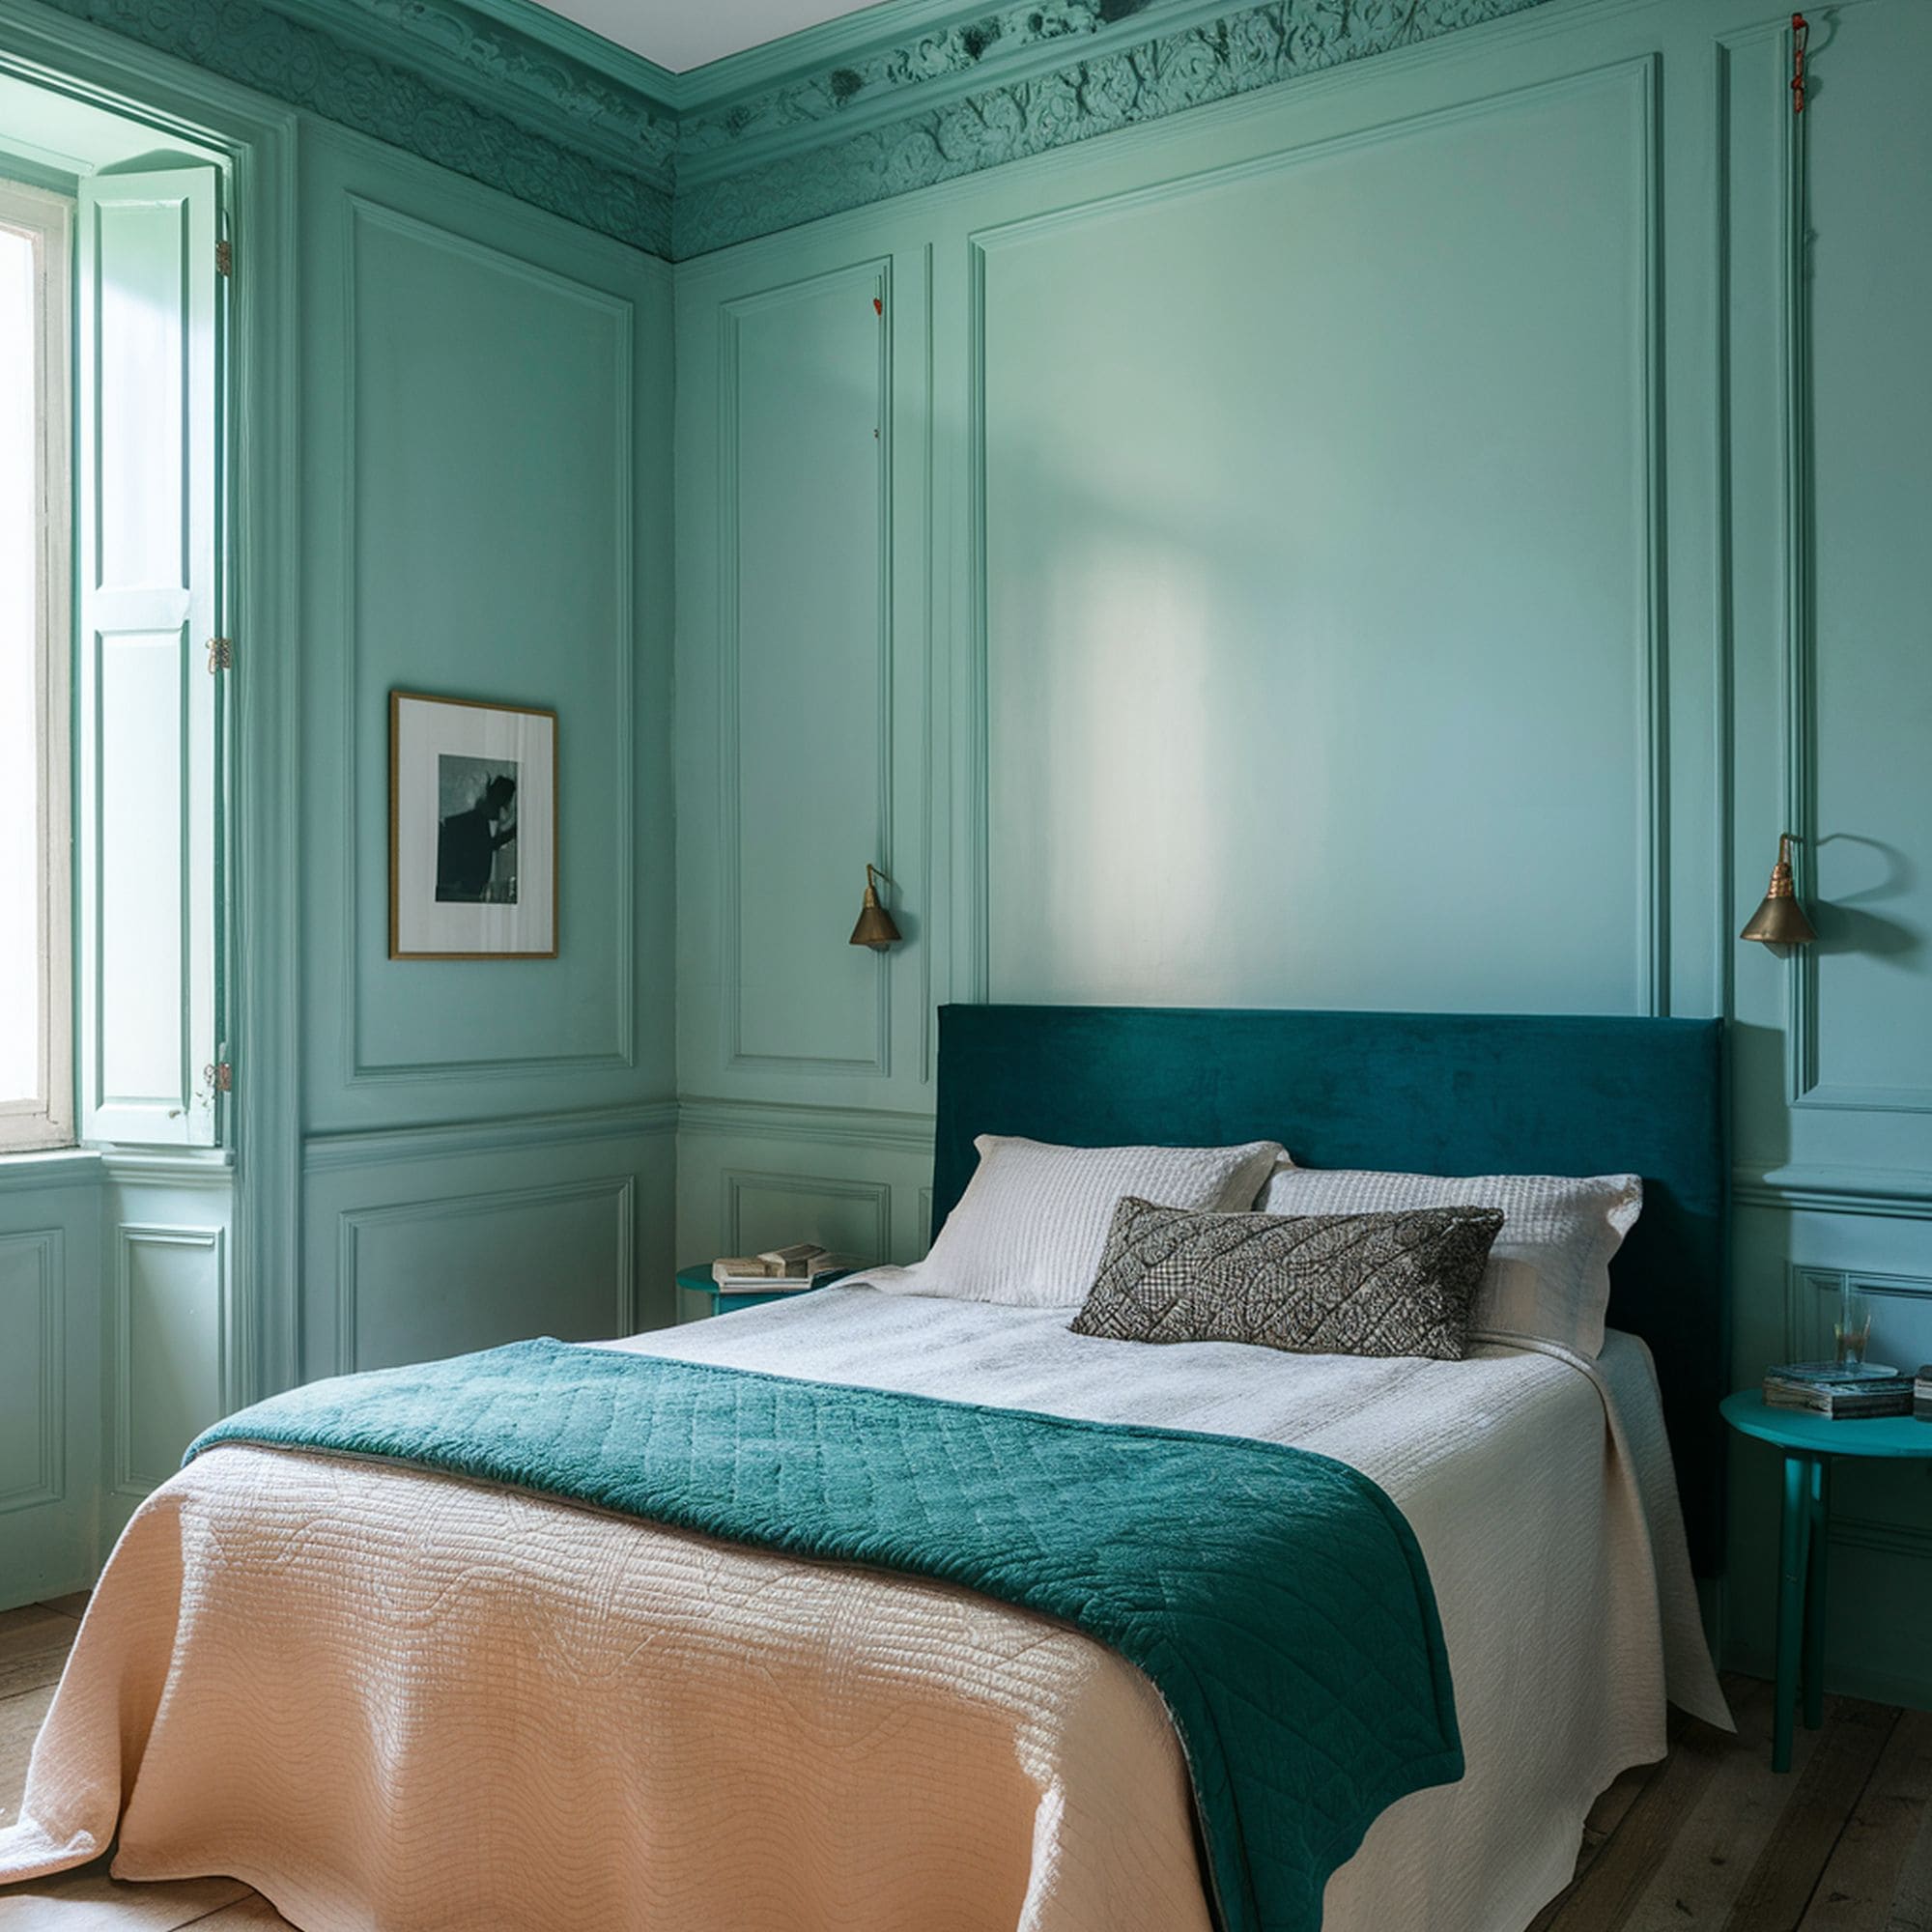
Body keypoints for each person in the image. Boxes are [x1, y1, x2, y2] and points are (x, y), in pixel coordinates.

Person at [437, 772, 517, 900]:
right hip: (459, 894)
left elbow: (488, 845)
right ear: (503, 805)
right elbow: (486, 846)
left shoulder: (475, 822)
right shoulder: (473, 824)